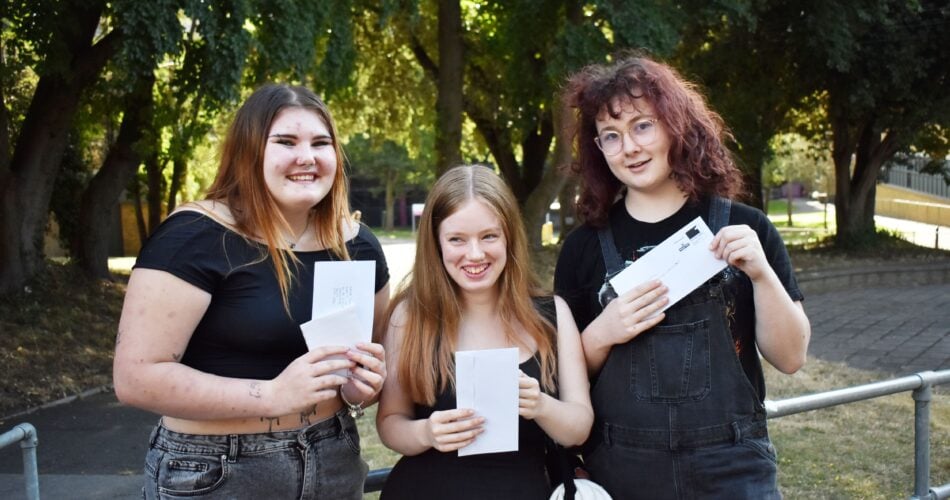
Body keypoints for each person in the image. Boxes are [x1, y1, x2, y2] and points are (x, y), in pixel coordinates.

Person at [113, 83, 390, 499]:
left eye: (321, 142)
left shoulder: (358, 245)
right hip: (218, 470)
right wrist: (273, 395)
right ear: (249, 152)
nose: (307, 157)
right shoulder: (196, 235)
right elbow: (136, 378)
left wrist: (361, 390)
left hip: (333, 457)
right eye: (285, 142)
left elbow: (368, 372)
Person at [554, 54, 811, 499]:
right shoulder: (583, 249)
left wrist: (763, 275)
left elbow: (790, 358)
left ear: (676, 125)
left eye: (642, 126)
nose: (629, 147)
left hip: (732, 469)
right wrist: (603, 333)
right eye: (610, 137)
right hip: (621, 470)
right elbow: (560, 383)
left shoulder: (745, 228)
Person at [376, 165, 593, 499]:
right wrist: (426, 433)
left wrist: (541, 406)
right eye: (456, 239)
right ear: (436, 243)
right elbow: (390, 422)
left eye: (489, 236)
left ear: (509, 236)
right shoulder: (410, 316)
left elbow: (579, 429)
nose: (474, 254)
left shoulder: (553, 315)